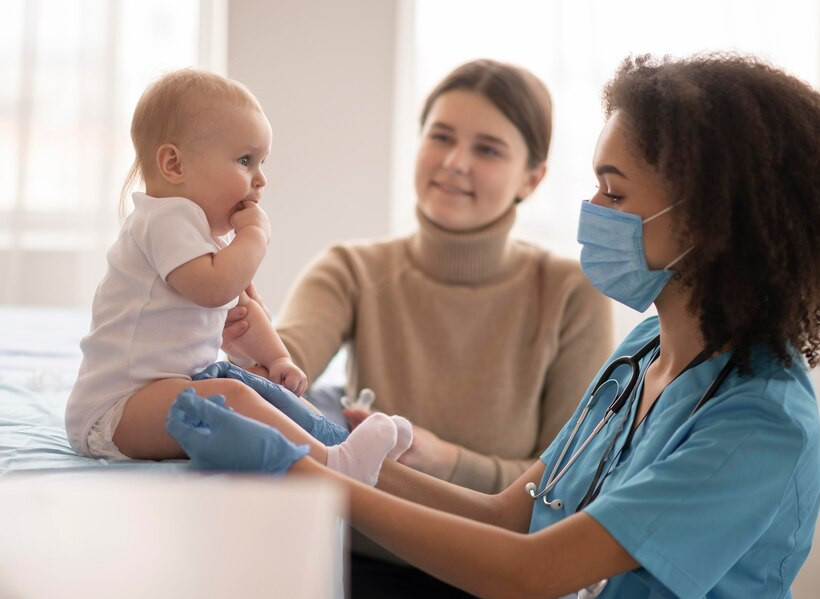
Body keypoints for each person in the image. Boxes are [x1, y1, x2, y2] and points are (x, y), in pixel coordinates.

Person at [167, 53, 820, 598]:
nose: (592, 207)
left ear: (707, 219)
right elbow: (515, 512)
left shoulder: (758, 423)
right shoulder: (648, 350)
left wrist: (303, 473)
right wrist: (316, 437)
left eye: (614, 189)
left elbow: (531, 569)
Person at [221, 59, 614, 595]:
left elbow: (565, 487)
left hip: (494, 576)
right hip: (361, 564)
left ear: (533, 177)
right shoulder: (352, 268)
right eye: (442, 137)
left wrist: (443, 458)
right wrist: (246, 336)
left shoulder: (572, 293)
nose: (455, 162)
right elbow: (283, 364)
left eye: (488, 149)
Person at [65, 69, 411, 487]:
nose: (261, 179)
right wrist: (256, 237)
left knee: (255, 388)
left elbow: (241, 309)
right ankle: (335, 463)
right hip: (115, 412)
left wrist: (277, 357)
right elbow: (215, 291)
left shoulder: (207, 237)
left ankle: (342, 444)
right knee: (233, 397)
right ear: (173, 164)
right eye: (245, 161)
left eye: (262, 162)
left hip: (167, 392)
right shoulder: (162, 220)